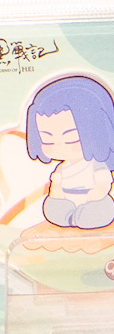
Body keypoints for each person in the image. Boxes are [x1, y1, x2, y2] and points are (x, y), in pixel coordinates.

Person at [26, 75, 114, 230]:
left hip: (92, 199)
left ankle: (85, 216)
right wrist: (56, 191)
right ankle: (68, 216)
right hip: (66, 198)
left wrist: (99, 191)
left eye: (71, 139)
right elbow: (56, 183)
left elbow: (104, 182)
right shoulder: (62, 168)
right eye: (48, 140)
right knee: (51, 205)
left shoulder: (95, 165)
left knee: (103, 208)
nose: (59, 146)